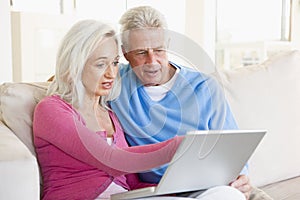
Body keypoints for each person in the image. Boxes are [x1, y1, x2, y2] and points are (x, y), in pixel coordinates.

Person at [109, 6, 252, 200]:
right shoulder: (114, 85)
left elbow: (232, 148)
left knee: (229, 196)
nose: (152, 61)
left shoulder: (205, 87)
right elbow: (72, 81)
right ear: (125, 53)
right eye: (141, 52)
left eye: (159, 50)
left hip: (206, 187)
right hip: (154, 191)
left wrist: (240, 177)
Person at [32, 19, 185, 200]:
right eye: (100, 64)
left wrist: (180, 189)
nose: (111, 74)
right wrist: (181, 146)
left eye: (114, 63)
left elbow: (132, 184)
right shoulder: (51, 110)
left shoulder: (110, 114)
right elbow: (111, 159)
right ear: (74, 66)